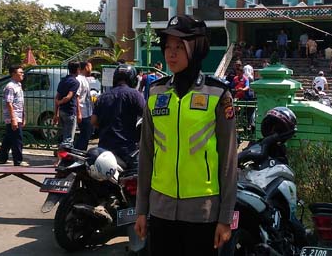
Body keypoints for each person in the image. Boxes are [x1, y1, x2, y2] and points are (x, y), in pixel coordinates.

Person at [135, 14, 237, 255]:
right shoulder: (154, 92)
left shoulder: (218, 94)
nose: (171, 54)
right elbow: (147, 153)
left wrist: (225, 217)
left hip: (203, 212)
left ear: (196, 48)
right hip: (160, 210)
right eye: (168, 47)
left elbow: (229, 161)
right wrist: (141, 209)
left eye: (179, 47)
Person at [92, 64, 146, 164]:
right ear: (133, 79)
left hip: (104, 150)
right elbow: (147, 116)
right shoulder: (135, 95)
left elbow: (94, 121)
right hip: (127, 149)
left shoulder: (103, 96)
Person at [0, 64, 29, 166]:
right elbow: (9, 103)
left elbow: (20, 102)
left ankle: (1, 158)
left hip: (18, 116)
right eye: (20, 72)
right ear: (13, 74)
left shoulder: (18, 85)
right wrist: (13, 119)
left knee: (9, 138)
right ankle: (18, 161)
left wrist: (23, 116)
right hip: (13, 117)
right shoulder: (10, 87)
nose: (22, 74)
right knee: (17, 139)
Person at [53, 61, 80, 142]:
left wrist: (56, 113)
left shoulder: (63, 80)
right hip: (70, 111)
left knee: (63, 134)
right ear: (78, 69)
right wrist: (60, 102)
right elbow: (69, 96)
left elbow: (57, 96)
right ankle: (66, 153)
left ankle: (61, 151)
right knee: (69, 137)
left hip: (62, 111)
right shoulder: (75, 82)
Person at [73, 61, 94, 150]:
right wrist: (79, 113)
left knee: (87, 133)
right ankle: (78, 151)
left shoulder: (85, 78)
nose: (91, 69)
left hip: (87, 111)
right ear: (86, 67)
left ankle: (79, 150)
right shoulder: (79, 79)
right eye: (90, 67)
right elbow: (76, 96)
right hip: (82, 111)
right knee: (85, 133)